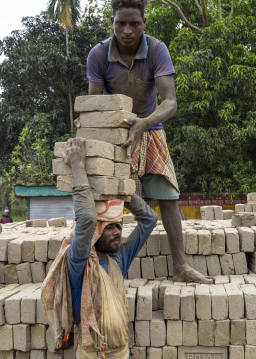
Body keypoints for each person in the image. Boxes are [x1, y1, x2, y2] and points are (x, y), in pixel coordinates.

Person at [78, 0, 213, 284]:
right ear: (112, 22)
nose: (127, 30)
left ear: (144, 23)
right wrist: (87, 124)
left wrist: (144, 123)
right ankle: (99, 266)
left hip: (151, 127)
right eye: (121, 24)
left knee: (168, 197)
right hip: (115, 132)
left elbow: (170, 102)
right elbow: (95, 103)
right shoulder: (99, 54)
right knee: (105, 195)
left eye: (134, 24)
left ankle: (181, 267)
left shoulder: (157, 50)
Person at [41, 138, 158, 357]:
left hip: (122, 354)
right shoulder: (79, 262)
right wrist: (77, 167)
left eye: (119, 226)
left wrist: (121, 186)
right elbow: (86, 219)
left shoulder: (118, 258)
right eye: (109, 227)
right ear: (95, 232)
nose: (117, 232)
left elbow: (149, 219)